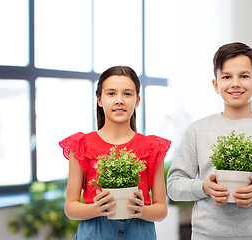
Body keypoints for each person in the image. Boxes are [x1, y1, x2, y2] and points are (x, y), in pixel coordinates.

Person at [167, 42, 252, 240]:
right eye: (226, 77)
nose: (235, 83)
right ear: (216, 85)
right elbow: (174, 185)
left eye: (244, 76)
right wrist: (204, 187)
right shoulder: (198, 130)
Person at [60, 66, 171, 240]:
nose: (119, 100)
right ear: (99, 99)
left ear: (137, 101)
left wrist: (142, 210)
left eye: (127, 94)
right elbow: (70, 208)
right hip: (95, 232)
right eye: (111, 93)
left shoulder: (152, 147)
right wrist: (95, 208)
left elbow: (161, 210)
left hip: (139, 232)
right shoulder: (81, 145)